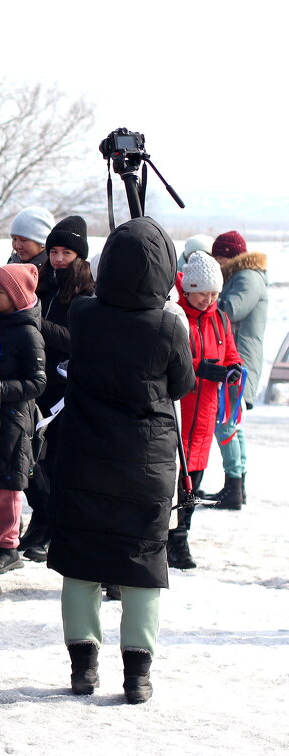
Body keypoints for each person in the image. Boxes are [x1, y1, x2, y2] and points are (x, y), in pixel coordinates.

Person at [47, 217, 195, 704]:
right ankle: (137, 675)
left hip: (85, 453)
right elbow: (181, 386)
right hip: (146, 462)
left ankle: (83, 668)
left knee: (81, 560)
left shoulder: (86, 314)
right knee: (141, 563)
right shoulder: (169, 326)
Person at [18, 216, 95, 562]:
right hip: (36, 381)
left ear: (79, 255)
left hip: (65, 390)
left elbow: (78, 341)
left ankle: (49, 524)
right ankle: (42, 517)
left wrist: (38, 323)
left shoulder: (86, 292)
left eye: (66, 252)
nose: (59, 258)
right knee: (29, 459)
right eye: (54, 251)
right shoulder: (41, 282)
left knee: (54, 461)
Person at [169, 251, 242, 568]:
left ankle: (181, 536)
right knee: (174, 479)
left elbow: (231, 353)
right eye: (203, 292)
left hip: (206, 412)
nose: (208, 299)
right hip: (181, 409)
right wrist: (201, 368)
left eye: (214, 293)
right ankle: (168, 537)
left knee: (194, 480)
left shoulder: (220, 319)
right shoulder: (175, 317)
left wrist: (235, 368)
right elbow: (173, 360)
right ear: (189, 289)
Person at [0, 263, 46, 574]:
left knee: (9, 485)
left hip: (14, 419)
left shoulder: (27, 332)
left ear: (15, 295)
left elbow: (38, 382)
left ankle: (9, 545)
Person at [203, 231, 267, 509]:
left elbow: (230, 309)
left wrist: (202, 296)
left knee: (225, 422)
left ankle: (234, 487)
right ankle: (235, 485)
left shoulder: (247, 277)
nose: (216, 263)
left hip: (238, 360)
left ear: (229, 256)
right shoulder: (243, 276)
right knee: (231, 422)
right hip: (237, 358)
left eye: (218, 257)